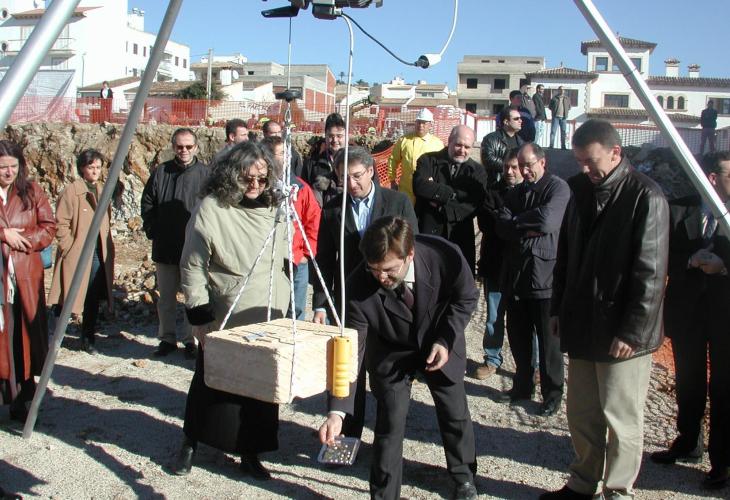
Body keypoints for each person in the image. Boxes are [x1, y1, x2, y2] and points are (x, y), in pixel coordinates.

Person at [542, 120, 669, 499]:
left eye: (591, 161)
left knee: (621, 417)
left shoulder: (646, 197)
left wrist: (632, 331)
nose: (584, 168)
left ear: (616, 153)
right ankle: (582, 483)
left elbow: (651, 274)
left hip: (622, 331)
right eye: (579, 161)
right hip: (583, 322)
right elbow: (565, 255)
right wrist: (558, 307)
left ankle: (617, 491)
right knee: (582, 413)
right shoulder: (580, 190)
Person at [319, 216, 479, 500]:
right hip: (390, 351)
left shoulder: (445, 256)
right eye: (374, 269)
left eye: (389, 270)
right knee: (389, 424)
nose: (381, 278)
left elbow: (466, 297)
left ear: (410, 254)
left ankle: (464, 477)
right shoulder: (357, 286)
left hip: (439, 341)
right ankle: (384, 494)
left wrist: (445, 339)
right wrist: (337, 411)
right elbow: (351, 351)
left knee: (455, 413)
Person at [174, 141, 290, 480]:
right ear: (230, 175)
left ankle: (251, 453)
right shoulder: (212, 209)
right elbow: (193, 265)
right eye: (246, 177)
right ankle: (190, 442)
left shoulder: (275, 208)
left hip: (267, 311)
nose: (254, 185)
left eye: (261, 178)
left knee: (260, 391)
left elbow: (284, 255)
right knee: (210, 382)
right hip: (227, 311)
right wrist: (199, 316)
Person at [313, 146, 416, 439]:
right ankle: (347, 435)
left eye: (357, 176)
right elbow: (324, 259)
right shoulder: (333, 209)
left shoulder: (397, 202)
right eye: (344, 178)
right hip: (350, 300)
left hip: (389, 299)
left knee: (385, 372)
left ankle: (385, 438)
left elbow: (412, 249)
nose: (352, 183)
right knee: (347, 368)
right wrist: (321, 304)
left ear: (371, 171)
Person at [650, 151, 730, 490]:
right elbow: (659, 253)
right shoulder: (679, 209)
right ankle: (688, 441)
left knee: (724, 386)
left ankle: (722, 461)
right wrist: (690, 260)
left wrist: (723, 267)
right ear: (712, 178)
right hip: (688, 312)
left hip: (725, 315)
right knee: (688, 380)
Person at [495, 143, 569, 416]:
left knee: (549, 344)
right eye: (521, 165)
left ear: (542, 162)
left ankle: (552, 394)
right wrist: (524, 224)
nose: (524, 171)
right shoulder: (515, 192)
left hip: (545, 277)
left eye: (529, 165)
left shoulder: (557, 188)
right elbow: (502, 226)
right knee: (518, 336)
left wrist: (517, 221)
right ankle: (522, 386)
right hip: (517, 276)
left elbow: (548, 221)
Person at [0, 140, 56, 423]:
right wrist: (3, 234)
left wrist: (24, 240)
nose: (9, 172)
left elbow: (49, 227)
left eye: (13, 166)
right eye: (3, 167)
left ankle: (22, 399)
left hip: (24, 277)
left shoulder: (32, 191)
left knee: (23, 338)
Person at [140, 128, 209, 359]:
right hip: (166, 246)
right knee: (166, 299)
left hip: (194, 248)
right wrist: (153, 230)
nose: (184, 151)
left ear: (196, 147)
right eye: (180, 146)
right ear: (173, 147)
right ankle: (167, 339)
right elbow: (147, 202)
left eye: (188, 146)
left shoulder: (205, 174)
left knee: (193, 297)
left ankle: (191, 340)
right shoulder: (161, 172)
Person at [48, 149, 115, 354]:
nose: (95, 171)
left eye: (98, 167)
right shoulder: (72, 191)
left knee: (92, 296)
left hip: (98, 252)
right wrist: (69, 247)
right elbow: (60, 223)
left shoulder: (103, 190)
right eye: (90, 167)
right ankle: (55, 337)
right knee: (68, 296)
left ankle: (88, 339)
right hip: (77, 253)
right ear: (82, 169)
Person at [474, 148, 523, 379]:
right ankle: (492, 358)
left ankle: (531, 364)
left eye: (514, 167)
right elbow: (487, 225)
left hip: (522, 268)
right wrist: (518, 223)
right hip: (494, 263)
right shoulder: (492, 192)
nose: (509, 172)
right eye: (506, 167)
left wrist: (506, 221)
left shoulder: (533, 193)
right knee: (493, 317)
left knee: (525, 320)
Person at [413, 125, 487, 274]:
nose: (462, 150)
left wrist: (438, 201)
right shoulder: (427, 160)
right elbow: (420, 186)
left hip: (460, 236)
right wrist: (453, 194)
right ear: (449, 141)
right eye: (458, 145)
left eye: (467, 147)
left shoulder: (478, 171)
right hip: (428, 232)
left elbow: (474, 204)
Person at [261, 135, 320, 321]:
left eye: (287, 153)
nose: (286, 157)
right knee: (268, 306)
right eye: (280, 153)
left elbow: (313, 221)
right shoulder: (258, 188)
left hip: (296, 258)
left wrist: (307, 253)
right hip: (268, 258)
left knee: (296, 310)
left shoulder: (300, 188)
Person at [386, 108, 444, 204]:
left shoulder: (437, 144)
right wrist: (392, 180)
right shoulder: (404, 140)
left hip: (427, 192)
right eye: (418, 122)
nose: (421, 125)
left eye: (424, 123)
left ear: (430, 124)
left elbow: (441, 168)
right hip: (406, 190)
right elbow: (393, 160)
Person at [303, 113, 346, 207]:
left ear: (346, 136)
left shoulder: (356, 162)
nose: (335, 140)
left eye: (339, 136)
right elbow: (304, 193)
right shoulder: (312, 163)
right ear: (325, 136)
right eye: (331, 136)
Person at [481, 108, 525, 185]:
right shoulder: (491, 138)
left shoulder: (521, 142)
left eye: (520, 118)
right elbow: (488, 159)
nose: (520, 121)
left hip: (517, 185)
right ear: (506, 122)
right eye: (516, 119)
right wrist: (509, 167)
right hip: (497, 183)